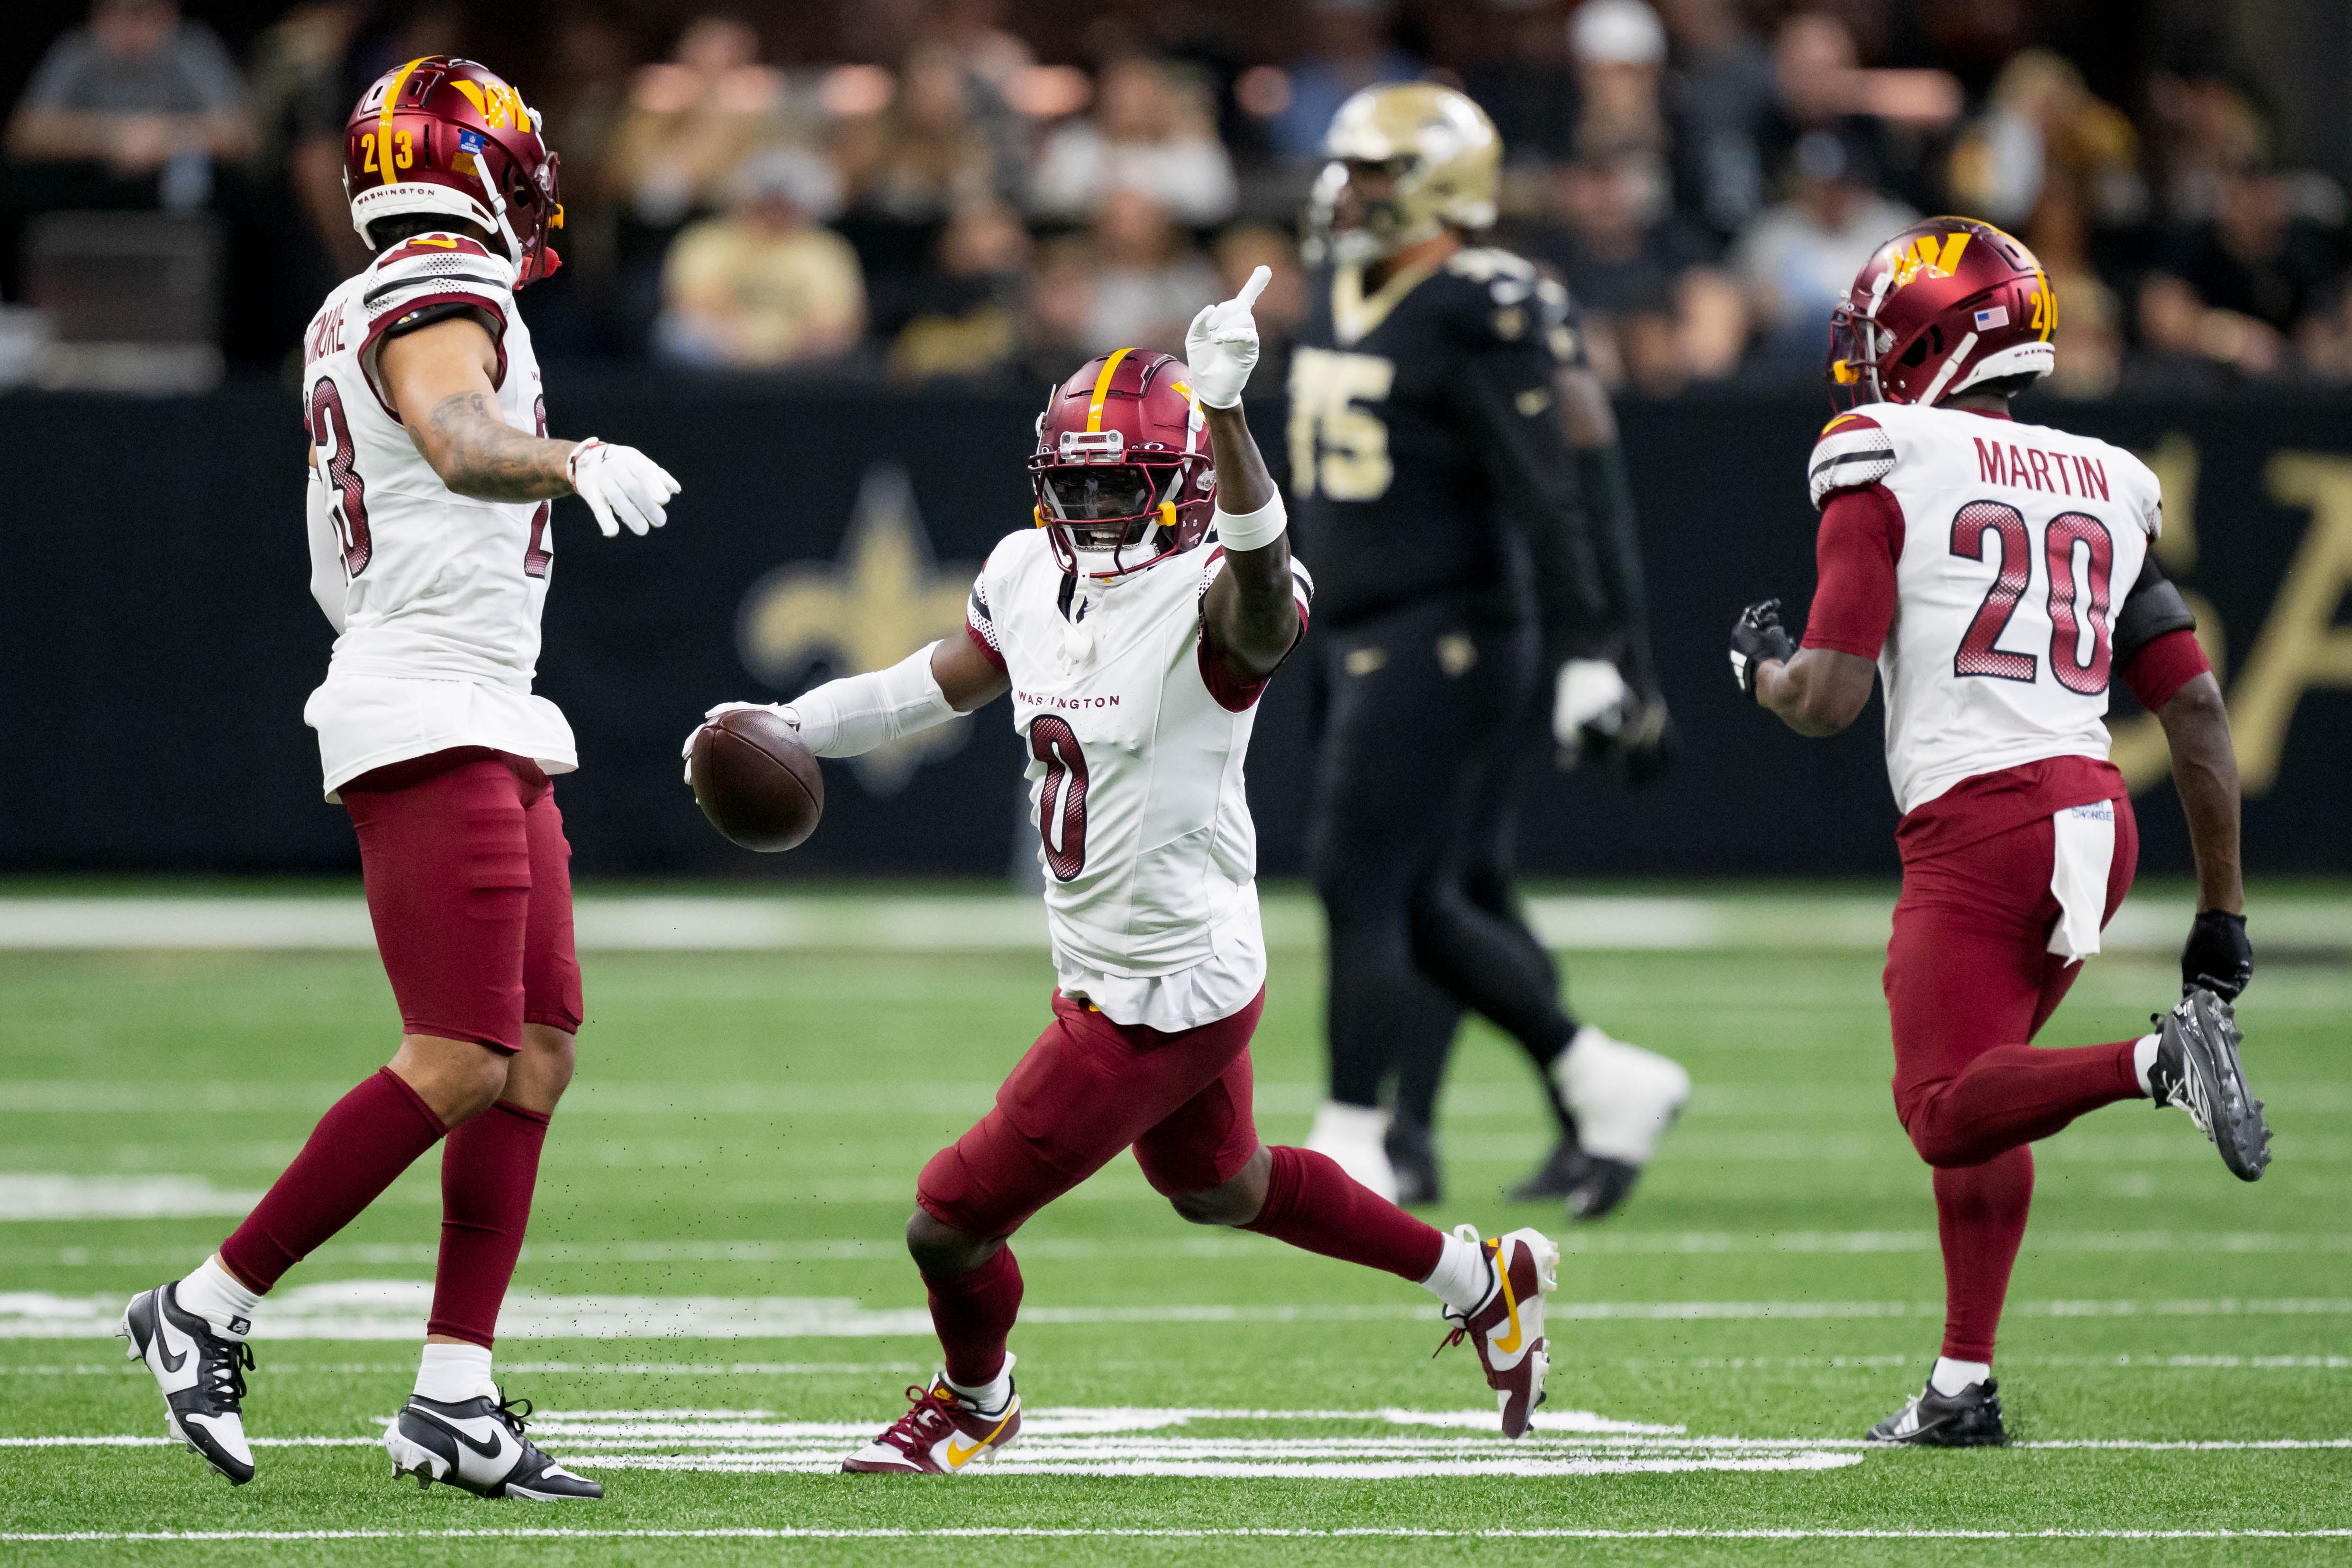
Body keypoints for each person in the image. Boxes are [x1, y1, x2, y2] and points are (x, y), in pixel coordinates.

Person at [686, 271, 1562, 1472]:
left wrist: (1229, 414)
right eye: (1077, 485)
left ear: (1189, 484)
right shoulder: (1025, 573)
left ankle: (975, 1400)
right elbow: (921, 687)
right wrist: (786, 722)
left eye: (1123, 484)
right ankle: (1480, 1277)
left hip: (1163, 985)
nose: (1096, 509)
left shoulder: (1217, 595)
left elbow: (1264, 591)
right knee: (1224, 1185)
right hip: (1124, 955)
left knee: (948, 1221)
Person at [118, 55, 679, 1499]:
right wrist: (573, 457)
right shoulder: (440, 284)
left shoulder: (364, 293)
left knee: (534, 1050)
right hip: (428, 698)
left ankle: (453, 1395)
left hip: (477, 695)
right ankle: (204, 1303)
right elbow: (457, 436)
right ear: (476, 166)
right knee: (461, 1051)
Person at [1728, 216, 2269, 1447]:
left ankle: (2157, 1062)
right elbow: (2191, 706)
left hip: (1983, 822)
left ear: (1929, 342)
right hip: (2096, 818)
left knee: (1939, 1104)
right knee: (1988, 1090)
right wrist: (2221, 908)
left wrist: (1756, 671)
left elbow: (1827, 696)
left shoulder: (1882, 453)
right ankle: (1961, 1383)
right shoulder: (2107, 477)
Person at [1286, 83, 1687, 1217]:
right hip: (1354, 628)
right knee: (1424, 895)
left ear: (1435, 185)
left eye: (1373, 171)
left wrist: (1597, 647)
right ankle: (1594, 1075)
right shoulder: (1339, 282)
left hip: (1448, 626)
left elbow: (1558, 488)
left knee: (1365, 881)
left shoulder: (1486, 301)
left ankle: (1358, 1130)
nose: (1347, 190)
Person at [7, 0, 254, 193]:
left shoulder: (194, 51)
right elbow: (24, 134)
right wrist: (111, 135)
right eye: (119, 13)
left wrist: (166, 136)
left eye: (145, 14)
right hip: (86, 203)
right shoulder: (78, 51)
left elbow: (243, 135)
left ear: (170, 15)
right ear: (98, 16)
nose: (132, 27)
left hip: (179, 211)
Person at [655, 148, 865, 368]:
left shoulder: (825, 249)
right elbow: (693, 303)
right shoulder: (707, 240)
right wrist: (751, 343)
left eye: (782, 201)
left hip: (801, 363)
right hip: (722, 354)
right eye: (766, 199)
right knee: (681, 333)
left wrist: (777, 346)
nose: (773, 209)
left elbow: (837, 322)